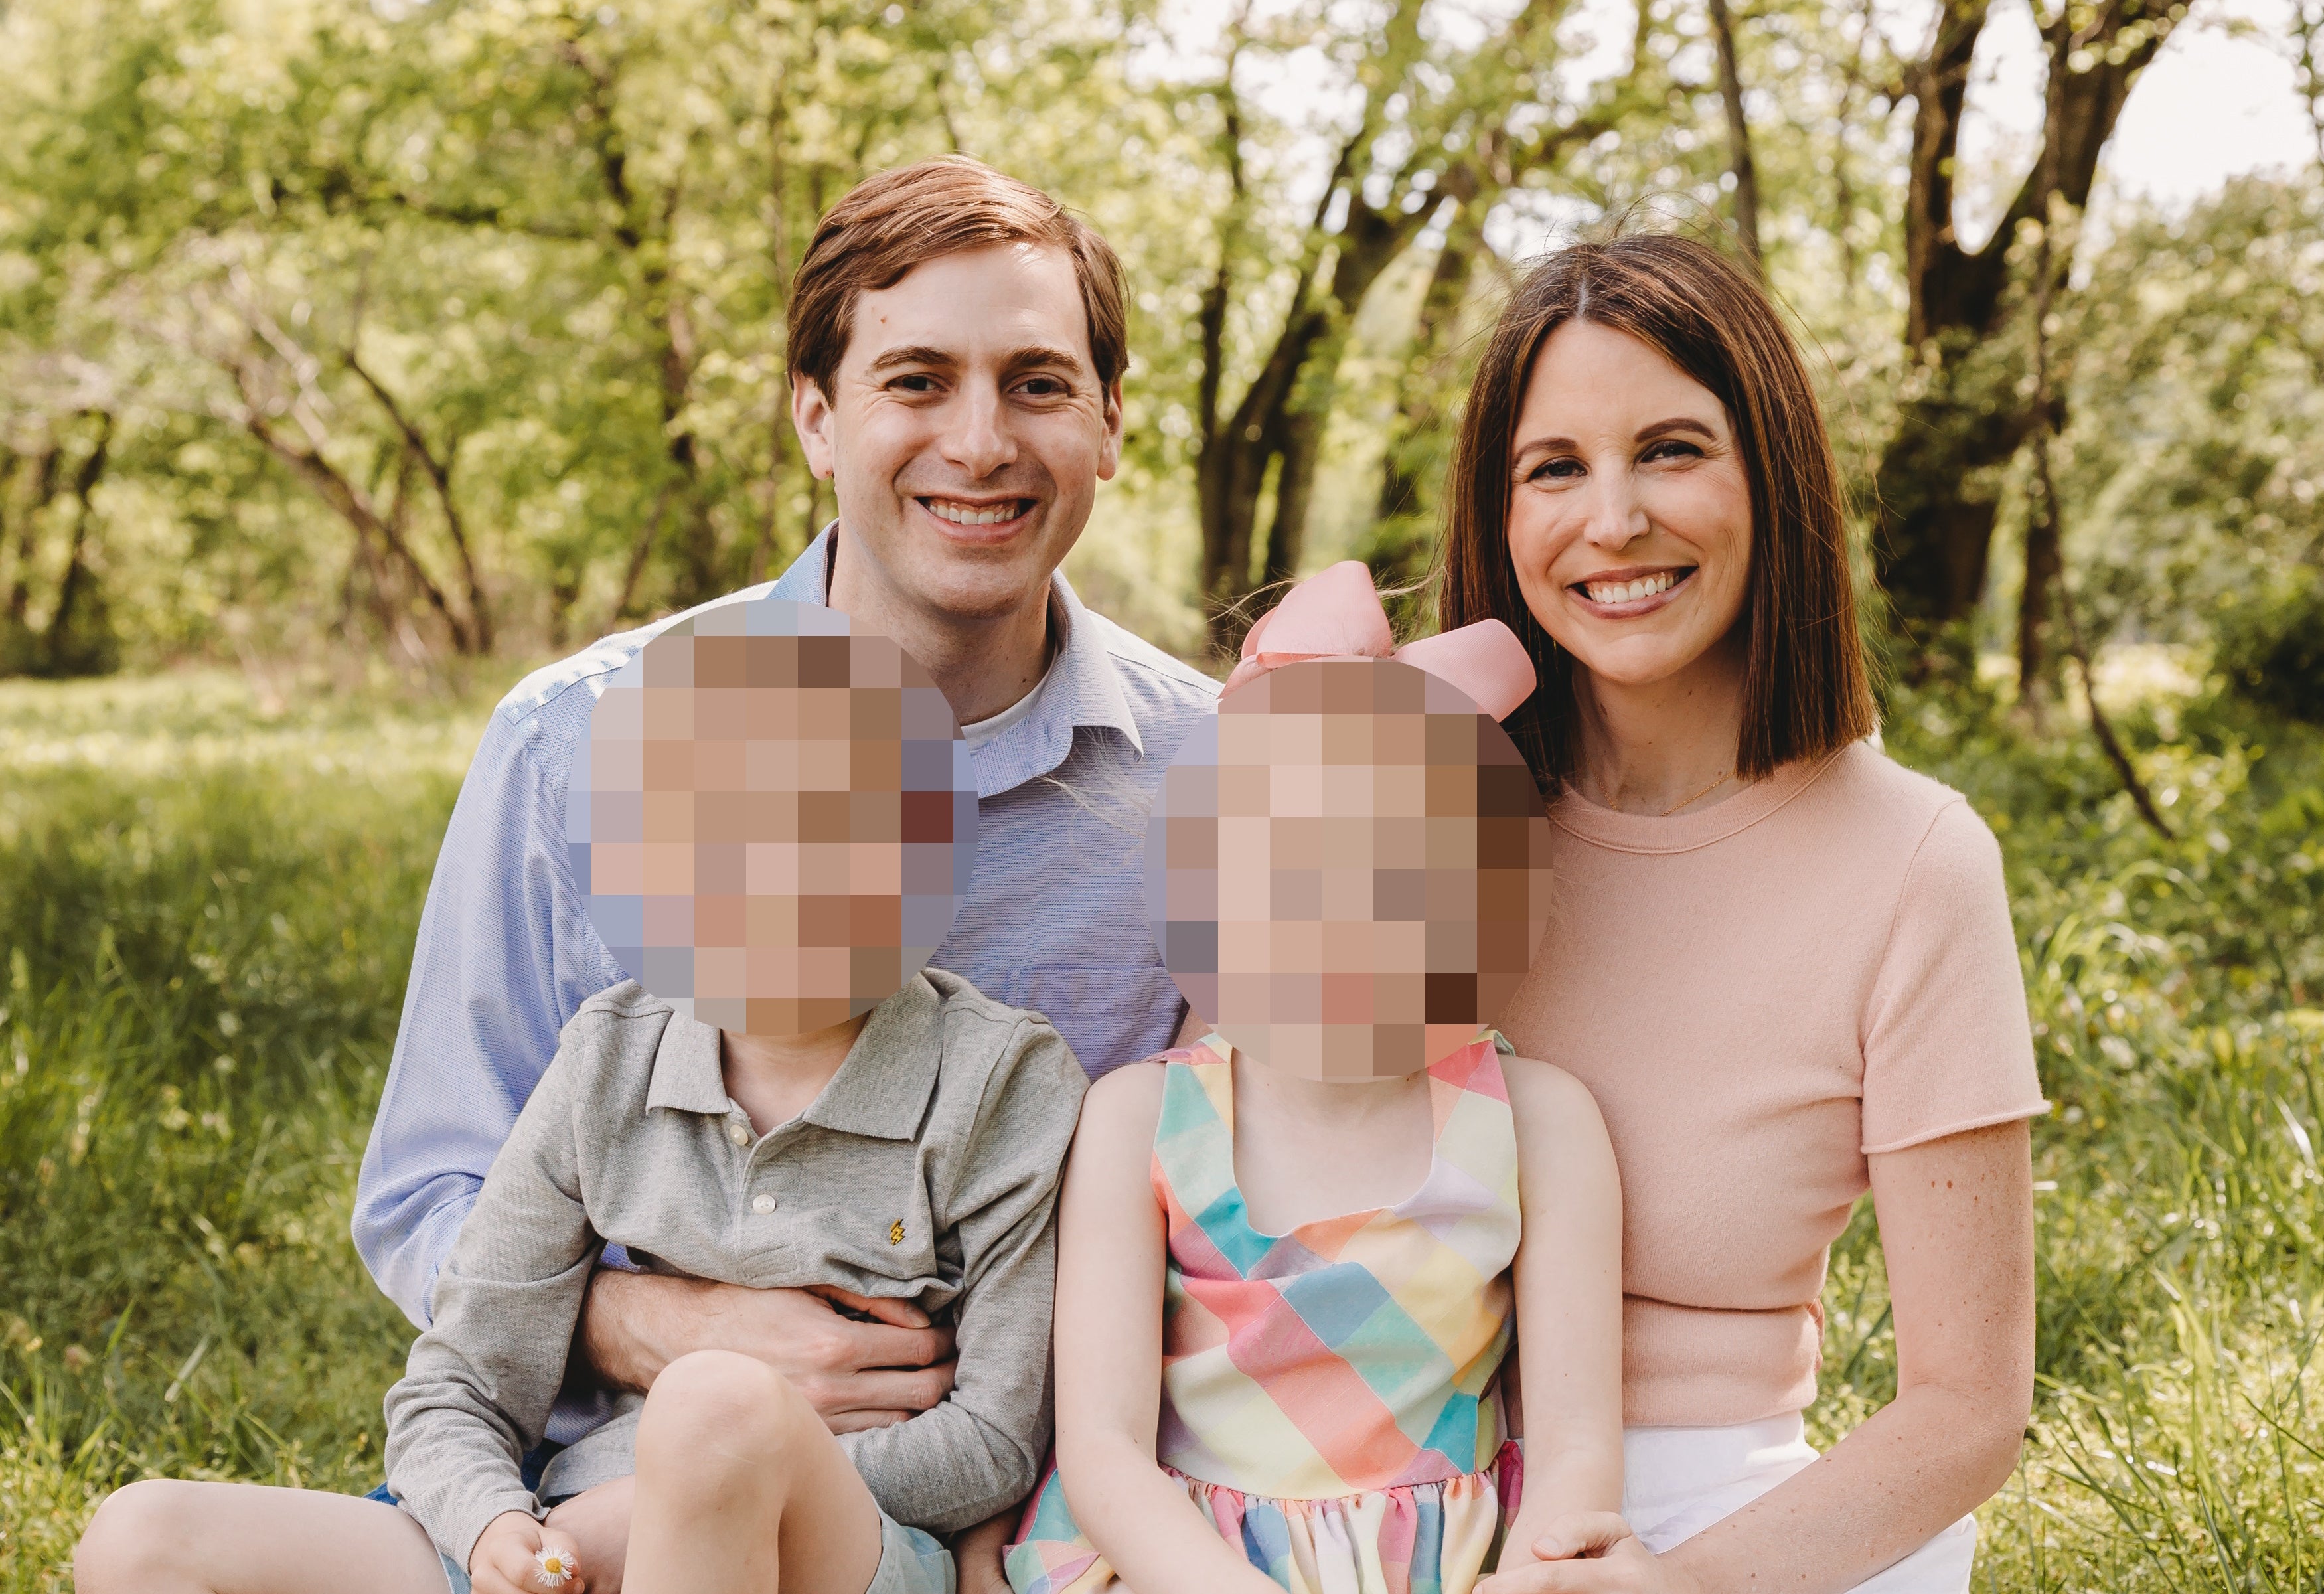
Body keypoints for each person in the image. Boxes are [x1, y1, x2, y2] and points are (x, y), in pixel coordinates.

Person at [349, 157, 1217, 1586]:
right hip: (570, 1494)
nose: (981, 440)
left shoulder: (1216, 785)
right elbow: (429, 1189)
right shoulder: (577, 741)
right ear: (817, 418)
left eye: (1040, 383)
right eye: (917, 380)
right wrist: (660, 1329)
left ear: (1112, 424)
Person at [73, 607, 1090, 1594]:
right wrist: (494, 1526)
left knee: (717, 1403)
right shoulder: (608, 1058)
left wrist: (665, 1501)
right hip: (567, 1535)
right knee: (143, 1536)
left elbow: (995, 1442)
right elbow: (460, 1382)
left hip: (833, 1549)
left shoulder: (1000, 1081)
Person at [1435, 234, 2045, 1593]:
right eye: (1553, 468)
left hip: (1717, 1520)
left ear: (1768, 475)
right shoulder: (1394, 813)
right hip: (1351, 1469)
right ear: (1495, 513)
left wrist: (1668, 1584)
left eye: (1668, 450)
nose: (1611, 521)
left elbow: (1963, 1409)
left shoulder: (1913, 862)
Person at [1007, 566, 1630, 1594]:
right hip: (1179, 1567)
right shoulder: (1139, 1120)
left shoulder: (1538, 1125)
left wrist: (1529, 1575)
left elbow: (1573, 1449)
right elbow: (1105, 1449)